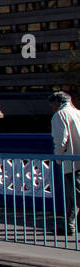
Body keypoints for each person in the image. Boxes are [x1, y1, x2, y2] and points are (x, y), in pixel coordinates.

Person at [51, 91, 80, 234]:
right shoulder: (78, 113)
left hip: (72, 160)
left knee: (74, 195)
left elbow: (61, 140)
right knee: (76, 194)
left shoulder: (60, 115)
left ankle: (70, 226)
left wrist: (58, 157)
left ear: (57, 103)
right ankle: (70, 225)